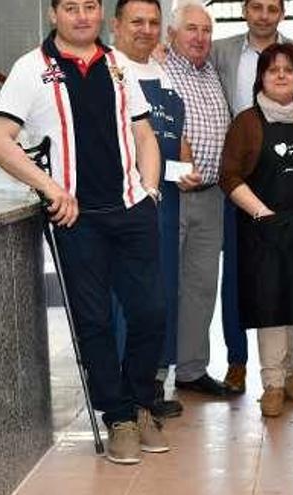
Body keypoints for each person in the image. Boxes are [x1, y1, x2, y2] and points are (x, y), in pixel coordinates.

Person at [0, 0, 168, 465]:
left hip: (131, 210)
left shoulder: (119, 64)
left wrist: (150, 189)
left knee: (150, 312)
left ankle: (142, 401)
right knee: (94, 322)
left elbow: (144, 134)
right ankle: (119, 417)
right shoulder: (32, 69)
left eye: (90, 6)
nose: (82, 15)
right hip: (77, 218)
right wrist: (50, 189)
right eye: (71, 7)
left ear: (101, 14)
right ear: (53, 14)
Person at [210, 0, 293, 394]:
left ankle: (291, 370)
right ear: (244, 10)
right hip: (248, 198)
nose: (263, 14)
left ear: (282, 12)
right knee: (248, 284)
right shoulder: (220, 50)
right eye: (255, 7)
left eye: (271, 8)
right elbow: (184, 57)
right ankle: (240, 362)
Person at [111, 0, 185, 419]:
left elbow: (167, 139)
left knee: (161, 295)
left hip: (165, 200)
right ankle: (123, 389)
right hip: (126, 204)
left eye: (154, 22)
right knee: (128, 299)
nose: (145, 29)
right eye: (136, 21)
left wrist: (180, 171)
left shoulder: (162, 73)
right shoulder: (109, 70)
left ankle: (150, 382)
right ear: (116, 24)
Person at [162, 0, 235, 397]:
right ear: (171, 35)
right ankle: (154, 375)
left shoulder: (212, 73)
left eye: (206, 30)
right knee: (161, 284)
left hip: (211, 197)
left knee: (202, 286)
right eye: (191, 29)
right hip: (170, 195)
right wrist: (177, 171)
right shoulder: (158, 70)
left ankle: (191, 369)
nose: (200, 37)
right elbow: (158, 136)